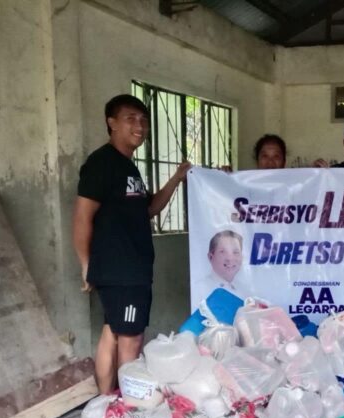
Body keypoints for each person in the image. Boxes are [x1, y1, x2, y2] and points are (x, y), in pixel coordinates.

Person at [73, 94, 191, 394]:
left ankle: (107, 404)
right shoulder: (102, 164)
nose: (139, 126)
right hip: (120, 269)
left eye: (143, 120)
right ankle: (128, 406)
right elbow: (82, 217)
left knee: (112, 334)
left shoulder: (129, 168)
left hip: (130, 267)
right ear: (111, 123)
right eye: (130, 119)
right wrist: (86, 265)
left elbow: (149, 209)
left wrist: (177, 178)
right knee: (131, 339)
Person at [203, 230, 245, 295]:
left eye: (235, 252)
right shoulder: (199, 289)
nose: (230, 258)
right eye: (222, 252)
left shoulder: (245, 291)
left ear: (242, 257)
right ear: (210, 257)